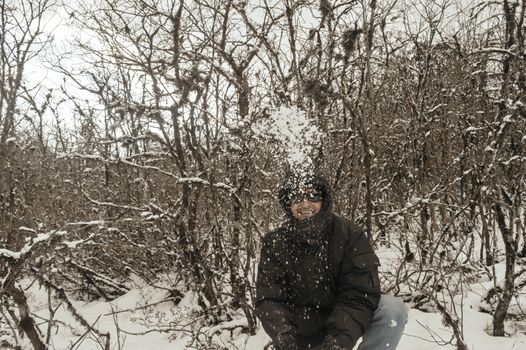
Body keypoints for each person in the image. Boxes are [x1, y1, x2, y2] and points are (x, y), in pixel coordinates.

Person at [255, 173, 407, 350]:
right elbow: (269, 299)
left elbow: (359, 295)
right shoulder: (275, 243)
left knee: (391, 309)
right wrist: (284, 335)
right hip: (300, 330)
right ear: (288, 204)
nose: (305, 204)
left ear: (324, 200)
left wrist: (337, 341)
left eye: (313, 196)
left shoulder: (349, 234)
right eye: (296, 197)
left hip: (343, 320)